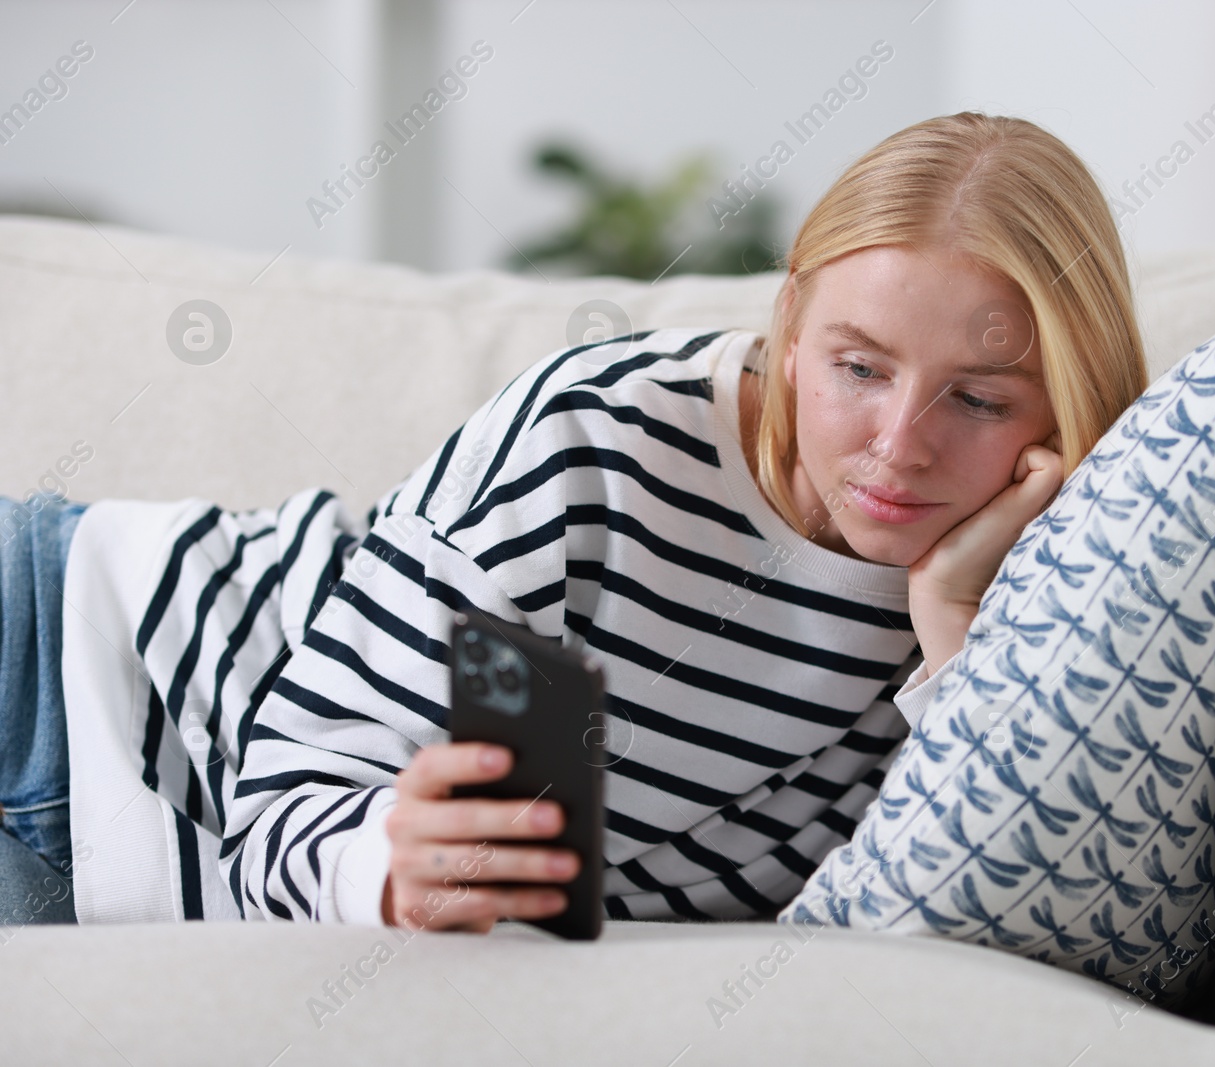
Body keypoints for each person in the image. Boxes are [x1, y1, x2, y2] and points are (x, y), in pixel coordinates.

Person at [0, 111, 1146, 929]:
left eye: (979, 398)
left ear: (1063, 411)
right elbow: (287, 803)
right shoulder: (604, 444)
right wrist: (381, 868)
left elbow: (1003, 919)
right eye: (857, 366)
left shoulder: (1030, 597)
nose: (900, 442)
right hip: (63, 658)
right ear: (790, 325)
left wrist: (952, 630)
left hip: (108, 870)